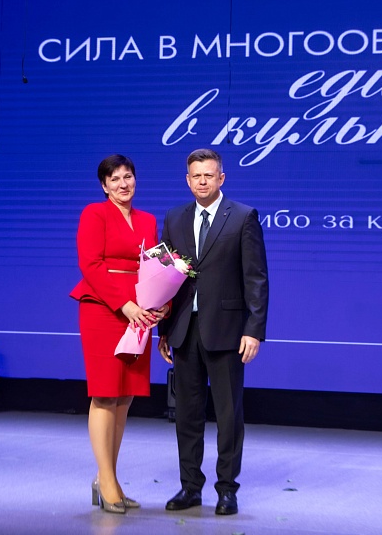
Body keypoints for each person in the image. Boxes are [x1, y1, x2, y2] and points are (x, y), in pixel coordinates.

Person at [158, 148, 269, 516]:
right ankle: (190, 487)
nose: (202, 181)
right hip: (184, 330)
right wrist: (164, 329)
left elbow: (256, 277)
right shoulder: (174, 217)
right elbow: (166, 278)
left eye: (209, 175)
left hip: (227, 331)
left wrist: (254, 329)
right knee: (187, 415)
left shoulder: (243, 216)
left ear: (222, 178)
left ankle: (227, 489)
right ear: (187, 180)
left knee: (228, 415)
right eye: (196, 176)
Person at [70, 154, 169, 514]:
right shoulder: (94, 214)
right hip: (104, 308)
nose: (123, 184)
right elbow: (90, 264)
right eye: (114, 179)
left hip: (139, 312)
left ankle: (106, 478)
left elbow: (155, 267)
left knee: (125, 395)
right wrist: (123, 304)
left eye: (128, 177)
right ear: (104, 185)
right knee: (105, 393)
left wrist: (163, 302)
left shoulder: (147, 220)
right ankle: (108, 480)